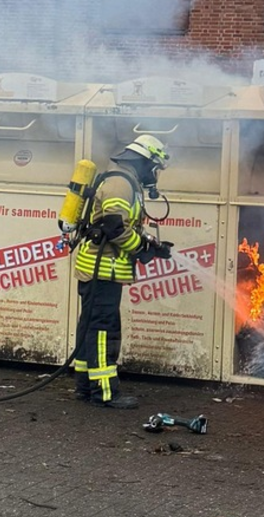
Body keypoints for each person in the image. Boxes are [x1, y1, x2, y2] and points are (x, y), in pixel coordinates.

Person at [72, 134, 173, 409]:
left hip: (100, 269)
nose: (155, 175)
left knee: (91, 328)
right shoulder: (120, 184)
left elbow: (120, 225)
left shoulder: (124, 180)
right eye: (155, 168)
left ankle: (85, 386)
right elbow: (113, 226)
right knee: (104, 330)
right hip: (103, 270)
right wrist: (141, 249)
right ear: (143, 162)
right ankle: (104, 393)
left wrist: (149, 244)